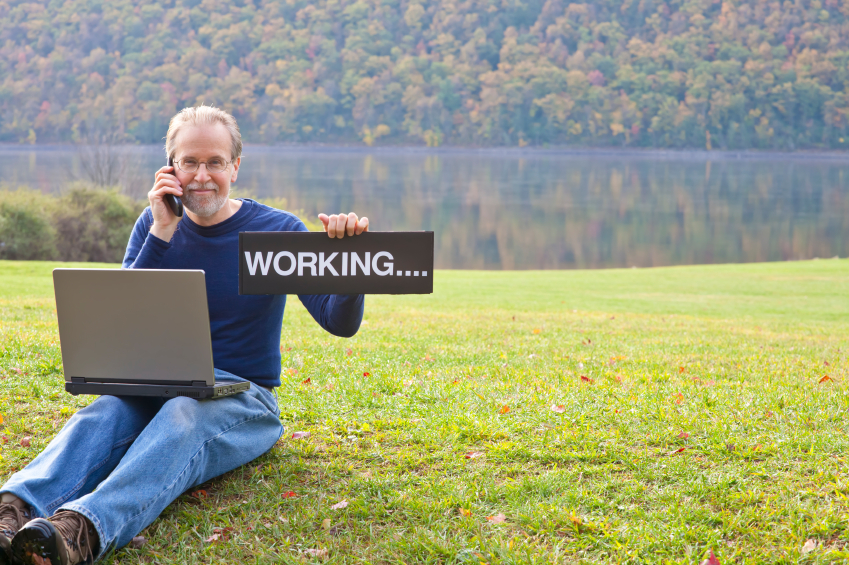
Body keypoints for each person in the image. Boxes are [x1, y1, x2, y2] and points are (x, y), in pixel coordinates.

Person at [0, 106, 369, 565]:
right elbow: (120, 322)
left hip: (244, 398)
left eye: (215, 162)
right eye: (189, 162)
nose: (202, 175)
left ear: (235, 166)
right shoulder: (153, 226)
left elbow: (339, 322)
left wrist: (351, 267)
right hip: (157, 384)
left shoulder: (277, 230)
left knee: (181, 414)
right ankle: (10, 511)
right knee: (105, 413)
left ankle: (81, 531)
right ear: (169, 169)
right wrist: (161, 231)